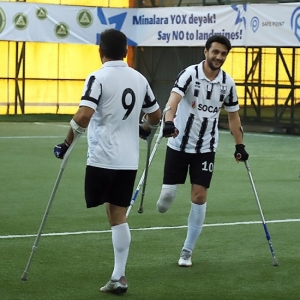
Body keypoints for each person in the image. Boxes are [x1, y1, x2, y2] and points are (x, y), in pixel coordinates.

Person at [54, 29, 161, 294]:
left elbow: (83, 116)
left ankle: (118, 277)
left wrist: (66, 144)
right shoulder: (140, 79)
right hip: (128, 161)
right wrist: (144, 128)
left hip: (102, 158)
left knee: (113, 214)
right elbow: (156, 116)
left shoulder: (97, 77)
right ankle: (119, 275)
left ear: (100, 52)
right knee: (118, 214)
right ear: (126, 51)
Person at [156, 35, 249, 267]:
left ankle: (187, 251)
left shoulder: (228, 83)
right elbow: (173, 101)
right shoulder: (189, 74)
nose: (219, 57)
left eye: (223, 53)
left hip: (206, 148)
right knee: (166, 200)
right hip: (178, 145)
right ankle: (165, 198)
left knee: (199, 196)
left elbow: (234, 116)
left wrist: (240, 145)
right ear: (205, 51)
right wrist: (169, 121)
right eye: (215, 52)